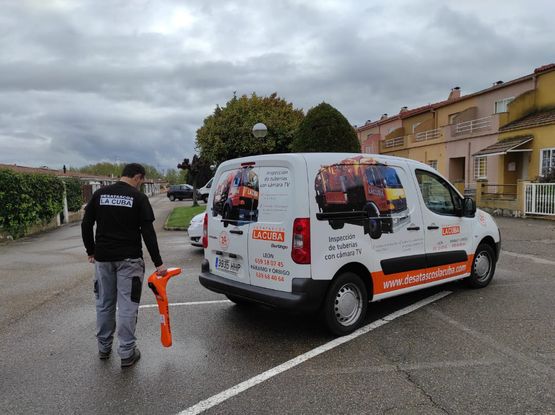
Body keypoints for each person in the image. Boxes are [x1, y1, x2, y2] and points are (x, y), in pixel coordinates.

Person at [81, 163, 167, 368]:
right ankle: (127, 353)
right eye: (141, 181)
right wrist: (158, 263)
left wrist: (91, 250)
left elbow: (86, 224)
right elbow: (148, 232)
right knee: (127, 306)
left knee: (104, 303)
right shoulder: (138, 198)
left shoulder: (100, 194)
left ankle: (103, 348)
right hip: (130, 260)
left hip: (103, 259)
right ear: (137, 177)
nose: (140, 185)